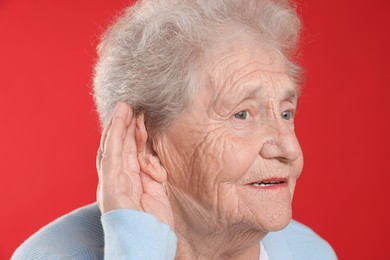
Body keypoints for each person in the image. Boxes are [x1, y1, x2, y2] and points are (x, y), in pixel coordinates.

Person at [13, 0, 337, 259]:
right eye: (241, 114)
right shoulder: (49, 256)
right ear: (147, 145)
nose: (289, 148)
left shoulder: (312, 252)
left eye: (285, 113)